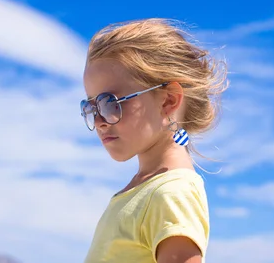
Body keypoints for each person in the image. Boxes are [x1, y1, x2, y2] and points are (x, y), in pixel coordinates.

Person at [81, 18, 228, 263]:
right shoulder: (143, 191)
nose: (98, 121)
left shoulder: (171, 193)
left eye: (110, 103)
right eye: (91, 106)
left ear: (168, 101)